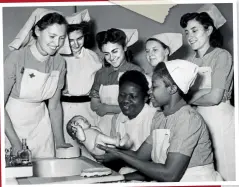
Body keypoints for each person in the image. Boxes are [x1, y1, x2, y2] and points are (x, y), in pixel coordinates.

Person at [97, 59, 223, 182]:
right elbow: (139, 157)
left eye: (155, 87)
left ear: (172, 89)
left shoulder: (188, 119)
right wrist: (119, 175)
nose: (149, 92)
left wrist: (120, 155)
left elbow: (170, 175)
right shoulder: (160, 118)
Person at [4, 8, 72, 158]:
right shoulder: (16, 58)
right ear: (37, 31)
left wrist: (60, 142)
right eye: (52, 36)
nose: (57, 43)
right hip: (12, 124)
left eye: (61, 38)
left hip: (41, 125)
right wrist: (15, 143)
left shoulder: (59, 62)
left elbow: (54, 106)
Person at [180, 4, 235, 181]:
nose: (190, 36)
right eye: (187, 32)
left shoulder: (222, 56)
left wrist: (188, 99)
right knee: (207, 170)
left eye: (194, 30)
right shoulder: (189, 61)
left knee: (226, 166)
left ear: (209, 30)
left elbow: (215, 96)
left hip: (219, 118)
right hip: (197, 118)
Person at [89, 28, 143, 136]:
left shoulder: (136, 72)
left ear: (125, 48)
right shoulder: (100, 74)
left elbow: (138, 106)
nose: (111, 57)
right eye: (106, 54)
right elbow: (94, 104)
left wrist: (107, 108)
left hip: (129, 125)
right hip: (103, 125)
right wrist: (101, 108)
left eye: (115, 51)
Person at [61, 10, 102, 148]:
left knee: (90, 146)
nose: (76, 44)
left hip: (88, 109)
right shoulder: (59, 57)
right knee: (69, 147)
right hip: (65, 108)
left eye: (79, 39)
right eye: (70, 40)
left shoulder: (92, 56)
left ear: (85, 36)